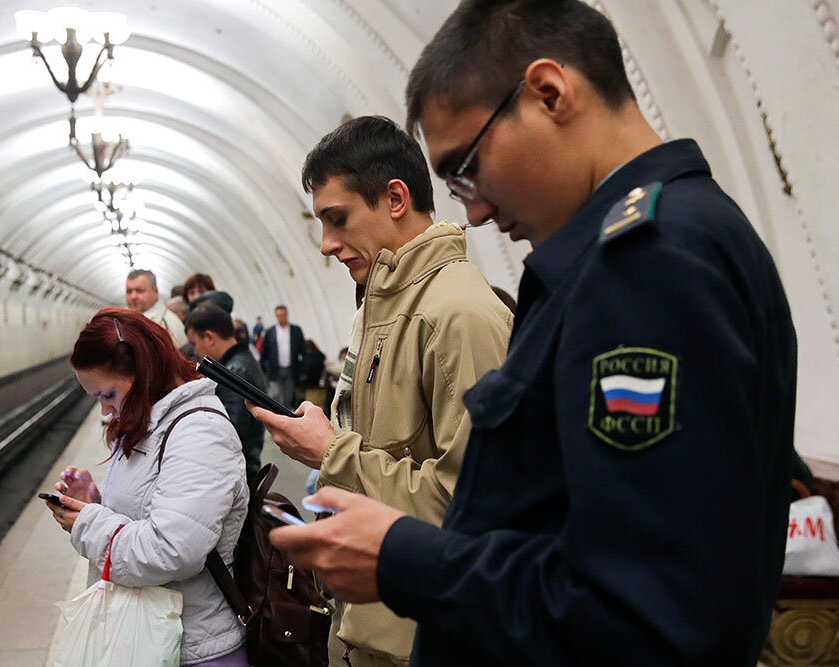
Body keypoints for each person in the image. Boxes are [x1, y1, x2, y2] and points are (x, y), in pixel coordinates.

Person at [267, 2, 798, 665]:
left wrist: (405, 557)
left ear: (550, 94)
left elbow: (648, 613)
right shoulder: (647, 248)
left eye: (468, 165)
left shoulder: (651, 267)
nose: (477, 207)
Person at [249, 115, 512, 667]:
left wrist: (330, 452)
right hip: (368, 625)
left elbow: (471, 508)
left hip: (423, 641)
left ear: (395, 198)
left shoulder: (459, 316)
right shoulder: (378, 306)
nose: (325, 245)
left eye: (337, 219)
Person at [47, 307, 249, 667]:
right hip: (153, 639)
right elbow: (146, 512)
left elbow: (172, 549)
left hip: (195, 648)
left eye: (108, 395)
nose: (106, 411)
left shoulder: (199, 433)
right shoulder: (151, 423)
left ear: (144, 374)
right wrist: (94, 503)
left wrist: (88, 524)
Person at [184, 304, 266, 483]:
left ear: (209, 337)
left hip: (235, 477)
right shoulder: (241, 362)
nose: (196, 351)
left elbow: (230, 434)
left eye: (195, 343)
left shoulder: (235, 374)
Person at [259, 304, 305, 409]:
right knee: (275, 395)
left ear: (287, 315)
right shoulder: (270, 332)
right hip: (274, 369)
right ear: (276, 316)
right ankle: (275, 416)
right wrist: (264, 368)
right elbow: (264, 352)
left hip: (290, 369)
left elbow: (303, 350)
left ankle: (286, 417)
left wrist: (302, 369)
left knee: (288, 396)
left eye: (283, 315)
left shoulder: (296, 330)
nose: (281, 317)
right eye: (279, 315)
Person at [125, 269, 186, 347]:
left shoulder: (169, 325)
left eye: (139, 291)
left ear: (155, 291)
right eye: (129, 291)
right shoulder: (120, 321)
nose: (133, 296)